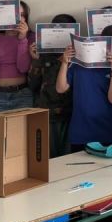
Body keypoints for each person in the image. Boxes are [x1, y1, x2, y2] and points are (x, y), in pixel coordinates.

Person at [56, 25, 112, 152]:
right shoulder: (78, 64)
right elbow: (60, 88)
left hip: (106, 130)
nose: (110, 53)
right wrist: (64, 62)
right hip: (80, 130)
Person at [29, 13, 77, 157]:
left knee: (68, 157)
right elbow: (32, 84)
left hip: (70, 113)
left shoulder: (77, 56)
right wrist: (35, 59)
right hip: (47, 114)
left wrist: (66, 60)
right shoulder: (43, 55)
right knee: (48, 156)